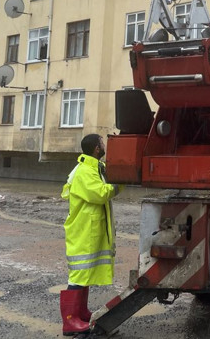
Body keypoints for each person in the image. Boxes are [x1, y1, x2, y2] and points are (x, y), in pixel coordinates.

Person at [59, 134, 124, 335]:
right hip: (83, 231)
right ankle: (70, 322)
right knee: (78, 274)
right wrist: (121, 182)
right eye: (102, 143)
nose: (104, 146)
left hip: (88, 229)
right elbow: (100, 193)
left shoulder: (93, 167)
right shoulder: (85, 171)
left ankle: (80, 313)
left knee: (84, 273)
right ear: (97, 148)